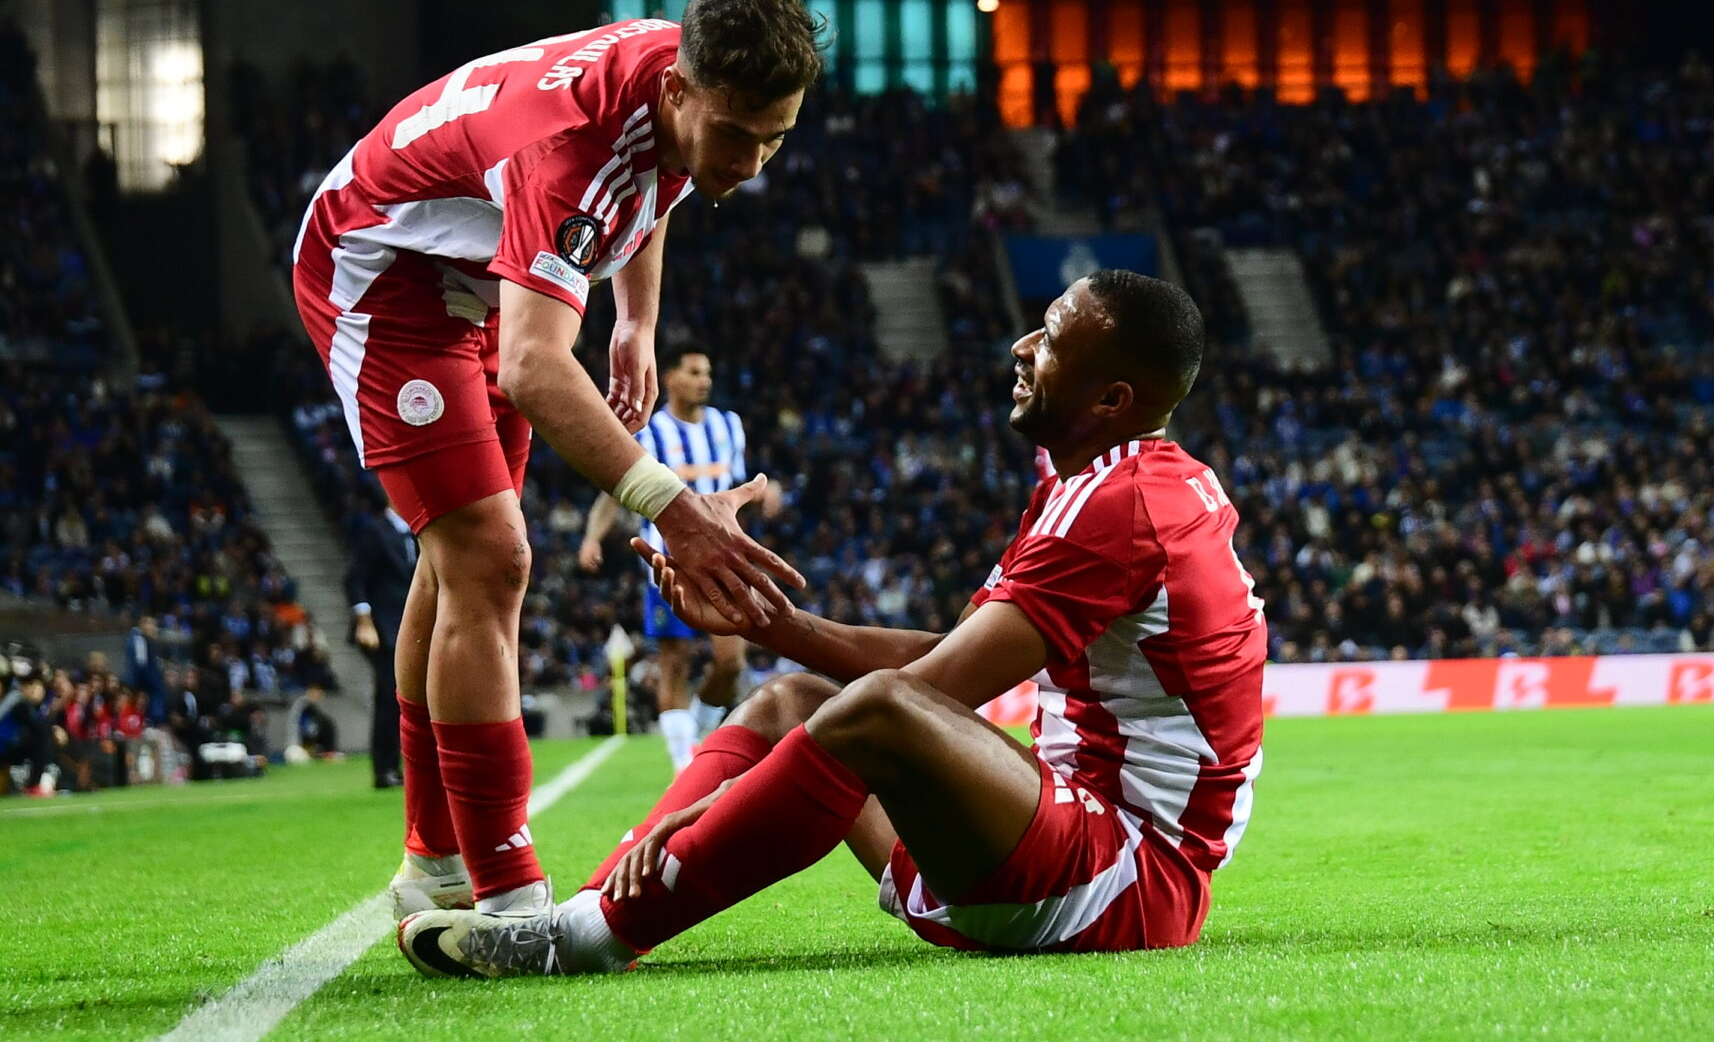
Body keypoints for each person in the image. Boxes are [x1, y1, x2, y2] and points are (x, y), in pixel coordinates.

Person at [398, 271, 1268, 976]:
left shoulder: (1119, 505)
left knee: (875, 708)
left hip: (1125, 873)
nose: (1022, 345)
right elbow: (953, 655)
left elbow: (924, 692)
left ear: (1111, 397)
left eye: (1050, 337)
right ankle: (592, 907)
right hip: (1062, 831)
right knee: (790, 701)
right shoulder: (1113, 481)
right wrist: (772, 622)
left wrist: (713, 806)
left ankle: (582, 938)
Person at [291, 0, 824, 921]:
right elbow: (536, 367)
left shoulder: (679, 76)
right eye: (737, 134)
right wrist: (674, 509)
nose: (751, 162)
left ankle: (435, 862)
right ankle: (505, 890)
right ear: (680, 88)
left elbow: (656, 179)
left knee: (461, 565)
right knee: (491, 556)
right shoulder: (573, 150)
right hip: (382, 270)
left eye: (774, 138)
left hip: (477, 272)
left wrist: (637, 321)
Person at [578, 345, 782, 772]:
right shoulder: (649, 434)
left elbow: (737, 484)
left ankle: (699, 733)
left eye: (707, 372)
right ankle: (681, 767)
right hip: (666, 564)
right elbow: (611, 495)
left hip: (723, 559)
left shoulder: (728, 426)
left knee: (731, 663)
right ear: (669, 378)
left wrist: (767, 490)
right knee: (675, 662)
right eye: (694, 372)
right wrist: (592, 538)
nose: (704, 380)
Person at [348, 489, 418, 788]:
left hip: (410, 628)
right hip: (383, 629)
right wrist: (364, 621)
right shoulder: (375, 533)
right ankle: (384, 768)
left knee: (407, 698)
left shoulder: (416, 534)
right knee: (390, 697)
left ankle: (404, 765)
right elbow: (355, 578)